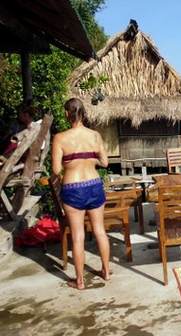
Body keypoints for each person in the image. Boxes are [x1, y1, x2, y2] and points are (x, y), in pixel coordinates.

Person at [51, 98, 110, 290]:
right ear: (83, 113)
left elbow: (55, 169)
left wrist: (71, 162)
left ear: (67, 114)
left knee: (77, 236)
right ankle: (106, 272)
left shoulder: (60, 138)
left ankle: (80, 282)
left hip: (72, 188)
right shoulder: (95, 135)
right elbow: (105, 162)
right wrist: (89, 159)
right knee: (100, 231)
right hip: (94, 184)